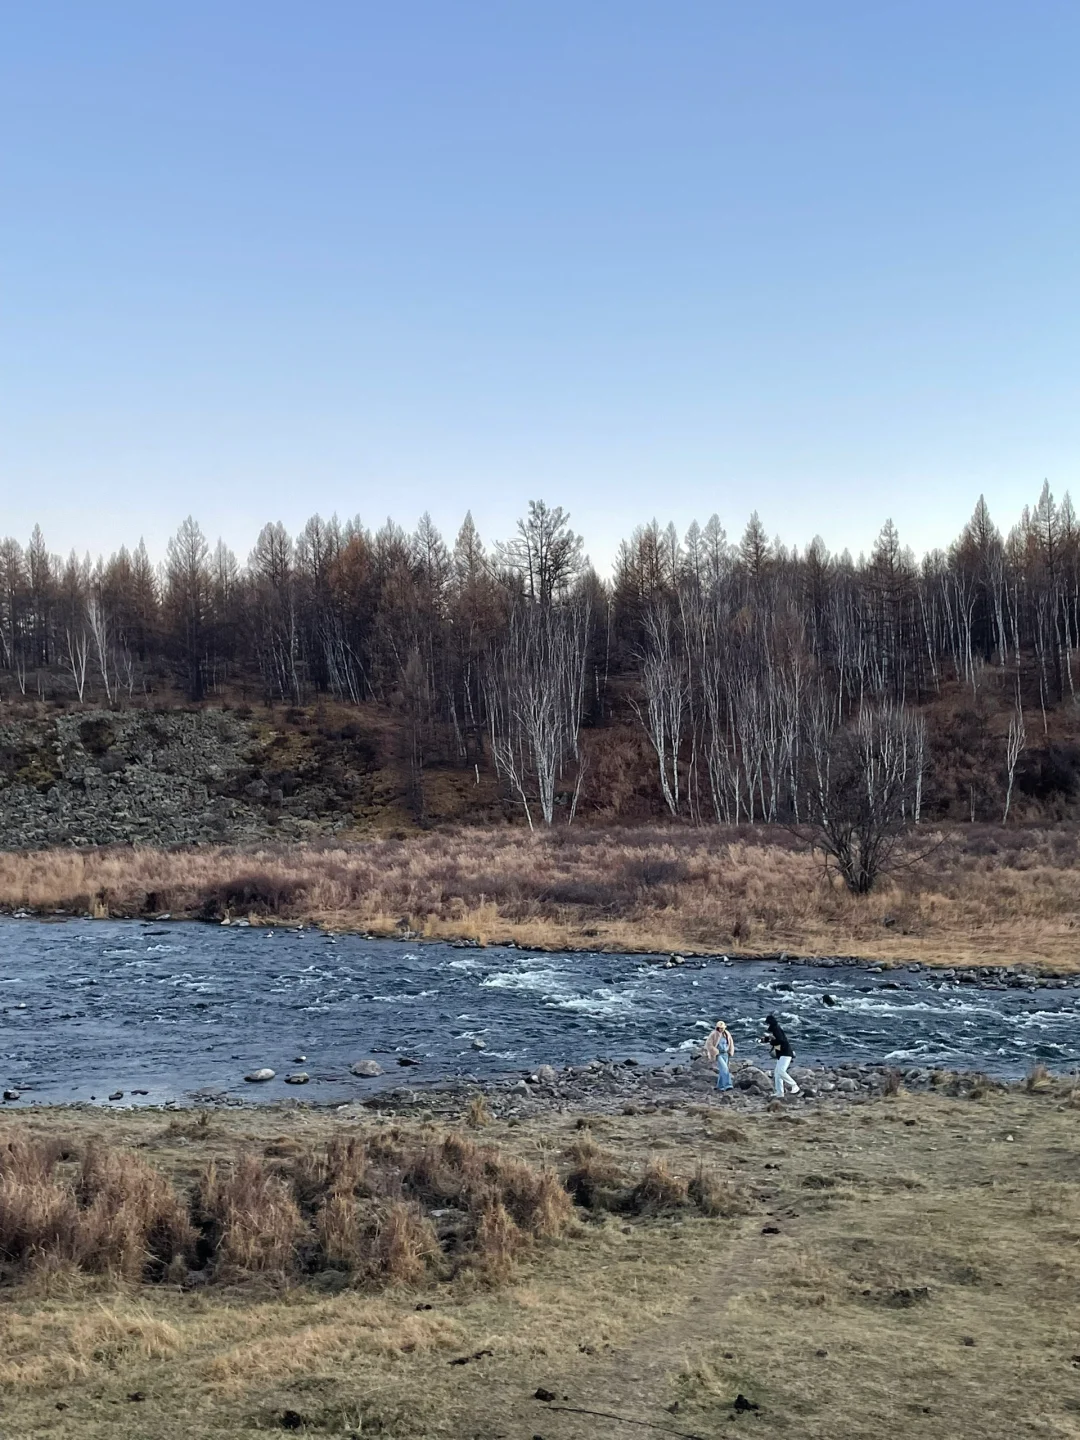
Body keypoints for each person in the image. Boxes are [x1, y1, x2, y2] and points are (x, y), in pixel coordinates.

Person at [762, 1013, 800, 1097]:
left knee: (781, 1071)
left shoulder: (776, 1029)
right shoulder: (776, 1029)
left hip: (785, 1053)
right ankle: (779, 1092)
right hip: (782, 1054)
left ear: (770, 1023)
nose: (767, 1025)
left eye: (767, 1023)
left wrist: (771, 1041)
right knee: (777, 1073)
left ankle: (794, 1085)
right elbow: (776, 1039)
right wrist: (767, 1040)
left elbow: (780, 1040)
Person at [704, 1019, 735, 1091]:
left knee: (722, 1070)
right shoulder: (713, 1034)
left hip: (726, 1054)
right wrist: (715, 1052)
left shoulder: (727, 1034)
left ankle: (720, 1086)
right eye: (719, 1028)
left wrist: (731, 1051)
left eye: (722, 1028)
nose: (721, 1029)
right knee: (725, 1069)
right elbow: (708, 1044)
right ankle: (728, 1085)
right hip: (719, 1054)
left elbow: (731, 1043)